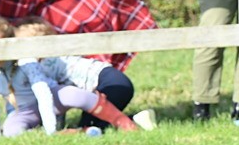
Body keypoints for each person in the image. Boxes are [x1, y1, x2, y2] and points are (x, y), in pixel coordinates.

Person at [0, 16, 138, 137]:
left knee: (77, 95)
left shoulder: (26, 60)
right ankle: (78, 132)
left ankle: (123, 122)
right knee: (11, 131)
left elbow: (43, 93)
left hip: (52, 97)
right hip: (26, 109)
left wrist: (50, 128)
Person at [14, 17, 150, 130]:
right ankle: (139, 118)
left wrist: (54, 126)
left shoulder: (43, 66)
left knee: (90, 126)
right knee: (97, 120)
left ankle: (134, 120)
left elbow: (53, 99)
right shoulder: (57, 57)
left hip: (108, 84)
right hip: (113, 78)